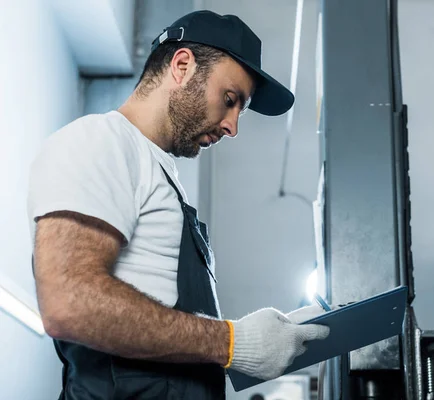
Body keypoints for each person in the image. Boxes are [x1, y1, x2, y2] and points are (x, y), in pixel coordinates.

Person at [27, 10, 329, 400]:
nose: (233, 127)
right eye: (230, 99)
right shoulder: (99, 142)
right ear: (182, 66)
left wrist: (274, 340)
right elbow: (69, 302)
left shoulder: (162, 176)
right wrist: (232, 343)